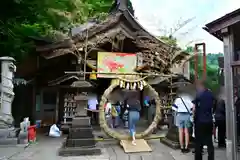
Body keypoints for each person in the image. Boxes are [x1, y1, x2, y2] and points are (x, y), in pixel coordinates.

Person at [192, 80, 215, 160]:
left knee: (198, 143)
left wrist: (194, 117)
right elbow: (213, 106)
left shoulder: (198, 95)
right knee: (209, 142)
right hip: (208, 121)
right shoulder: (211, 94)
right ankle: (211, 158)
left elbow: (194, 108)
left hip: (199, 121)